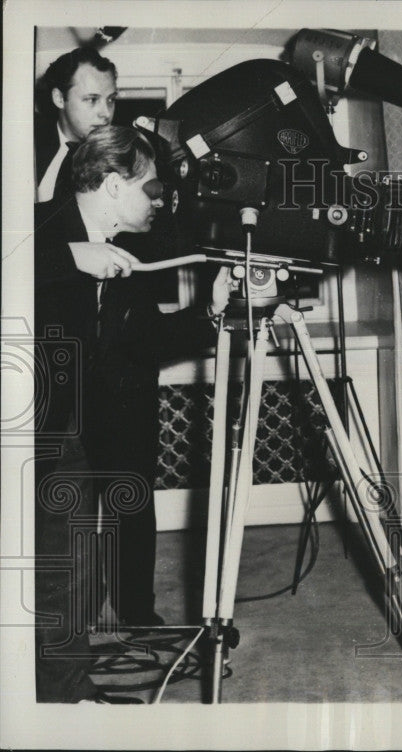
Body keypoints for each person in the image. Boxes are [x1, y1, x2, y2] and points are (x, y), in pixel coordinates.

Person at [34, 125, 230, 700]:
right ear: (116, 185)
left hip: (71, 428)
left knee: (66, 568)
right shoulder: (40, 225)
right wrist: (68, 254)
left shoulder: (130, 249)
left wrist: (211, 311)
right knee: (54, 569)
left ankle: (64, 694)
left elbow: (140, 338)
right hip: (31, 425)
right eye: (152, 189)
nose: (160, 202)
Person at [35, 46, 118, 202]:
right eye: (92, 99)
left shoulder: (119, 160)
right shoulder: (28, 142)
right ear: (59, 98)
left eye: (111, 99)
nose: (106, 113)